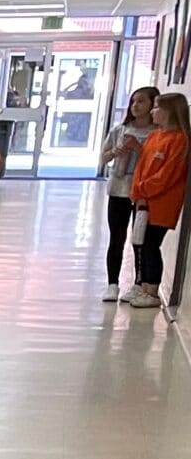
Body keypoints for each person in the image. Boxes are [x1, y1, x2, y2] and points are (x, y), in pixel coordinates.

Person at [126, 92, 190, 309]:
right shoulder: (155, 136)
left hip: (162, 203)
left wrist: (144, 189)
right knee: (141, 243)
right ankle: (142, 285)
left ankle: (152, 290)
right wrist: (137, 191)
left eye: (156, 108)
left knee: (152, 244)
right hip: (143, 201)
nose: (153, 112)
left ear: (169, 112)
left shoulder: (180, 140)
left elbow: (167, 175)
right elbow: (142, 167)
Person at [102, 85, 160, 302]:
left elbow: (156, 161)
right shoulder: (120, 130)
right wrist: (114, 152)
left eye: (141, 101)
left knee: (141, 239)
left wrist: (138, 148)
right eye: (133, 101)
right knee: (116, 237)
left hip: (143, 194)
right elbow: (103, 157)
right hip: (119, 190)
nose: (136, 106)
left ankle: (138, 283)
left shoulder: (157, 134)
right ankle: (112, 284)